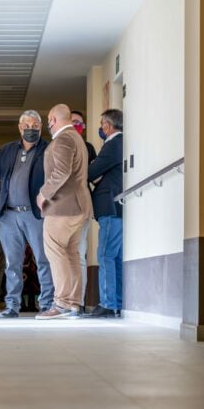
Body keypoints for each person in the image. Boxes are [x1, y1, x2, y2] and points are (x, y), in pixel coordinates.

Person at [0, 110, 54, 318]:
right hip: (9, 216)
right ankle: (12, 306)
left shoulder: (48, 149)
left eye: (35, 126)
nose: (31, 130)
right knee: (12, 263)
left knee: (43, 260)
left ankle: (46, 304)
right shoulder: (9, 149)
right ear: (20, 128)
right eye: (27, 126)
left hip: (36, 215)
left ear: (41, 127)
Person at [35, 104, 93, 320]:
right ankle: (73, 304)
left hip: (63, 207)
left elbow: (61, 171)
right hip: (79, 206)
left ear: (52, 119)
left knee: (56, 252)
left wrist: (43, 194)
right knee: (71, 254)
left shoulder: (64, 139)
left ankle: (61, 304)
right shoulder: (76, 138)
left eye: (48, 121)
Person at [88, 109, 124, 318]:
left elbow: (91, 172)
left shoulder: (112, 145)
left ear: (108, 126)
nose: (101, 128)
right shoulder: (118, 144)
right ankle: (115, 302)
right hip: (115, 208)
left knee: (105, 254)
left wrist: (95, 171)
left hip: (110, 207)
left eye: (102, 124)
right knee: (115, 256)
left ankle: (108, 303)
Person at [72, 110, 97, 308]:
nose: (76, 125)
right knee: (60, 255)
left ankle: (77, 303)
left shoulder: (88, 148)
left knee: (80, 254)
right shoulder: (55, 146)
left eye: (79, 123)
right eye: (72, 122)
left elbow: (95, 175)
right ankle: (60, 300)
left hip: (81, 206)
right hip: (59, 208)